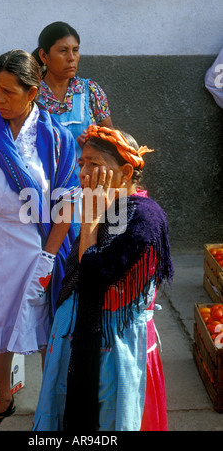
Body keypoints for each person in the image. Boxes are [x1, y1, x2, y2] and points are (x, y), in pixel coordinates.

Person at [0, 49, 80, 431]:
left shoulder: (56, 140)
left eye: (8, 91)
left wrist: (47, 258)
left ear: (32, 92)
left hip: (36, 250)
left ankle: (50, 408)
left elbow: (67, 204)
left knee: (44, 328)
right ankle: (4, 397)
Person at [32, 125, 174, 431]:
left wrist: (91, 220)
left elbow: (94, 277)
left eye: (94, 165)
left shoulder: (145, 219)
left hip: (116, 347)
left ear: (124, 172)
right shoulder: (105, 208)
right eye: (82, 164)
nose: (84, 173)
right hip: (79, 337)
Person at [32, 21, 112, 233]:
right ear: (44, 56)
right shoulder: (32, 95)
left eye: (75, 50)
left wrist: (94, 142)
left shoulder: (91, 91)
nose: (71, 58)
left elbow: (113, 143)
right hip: (46, 193)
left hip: (89, 191)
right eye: (63, 51)